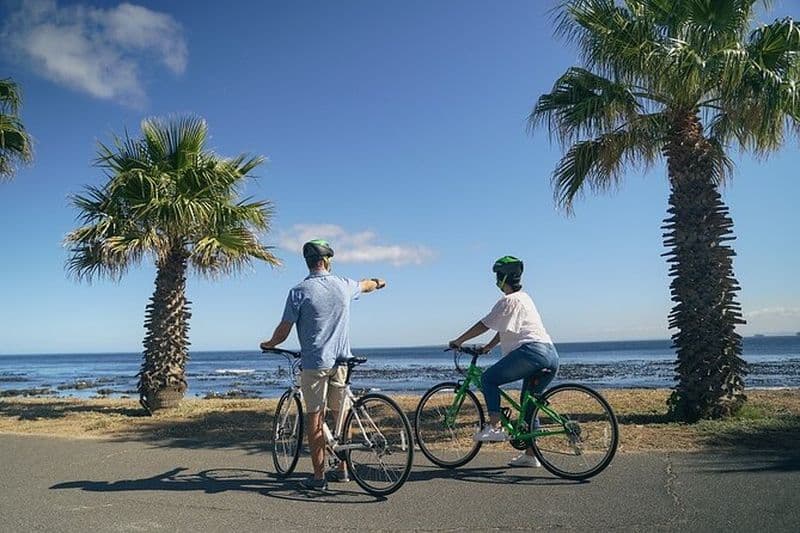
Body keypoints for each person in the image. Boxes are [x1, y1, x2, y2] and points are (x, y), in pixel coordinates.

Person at [260, 239, 386, 491]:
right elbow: (366, 285)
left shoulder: (299, 291)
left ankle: (319, 478)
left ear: (308, 263)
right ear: (327, 261)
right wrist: (378, 282)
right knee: (341, 417)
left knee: (315, 418)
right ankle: (343, 470)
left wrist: (269, 343)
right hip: (342, 361)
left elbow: (283, 331)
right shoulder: (344, 284)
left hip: (315, 364)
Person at [448, 255, 558, 468]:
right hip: (550, 355)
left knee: (488, 379)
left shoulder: (508, 300)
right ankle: (531, 455)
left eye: (497, 276)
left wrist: (459, 340)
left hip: (531, 353)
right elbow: (506, 328)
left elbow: (485, 324)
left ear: (502, 277)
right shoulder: (525, 298)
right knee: (529, 404)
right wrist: (489, 347)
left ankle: (495, 427)